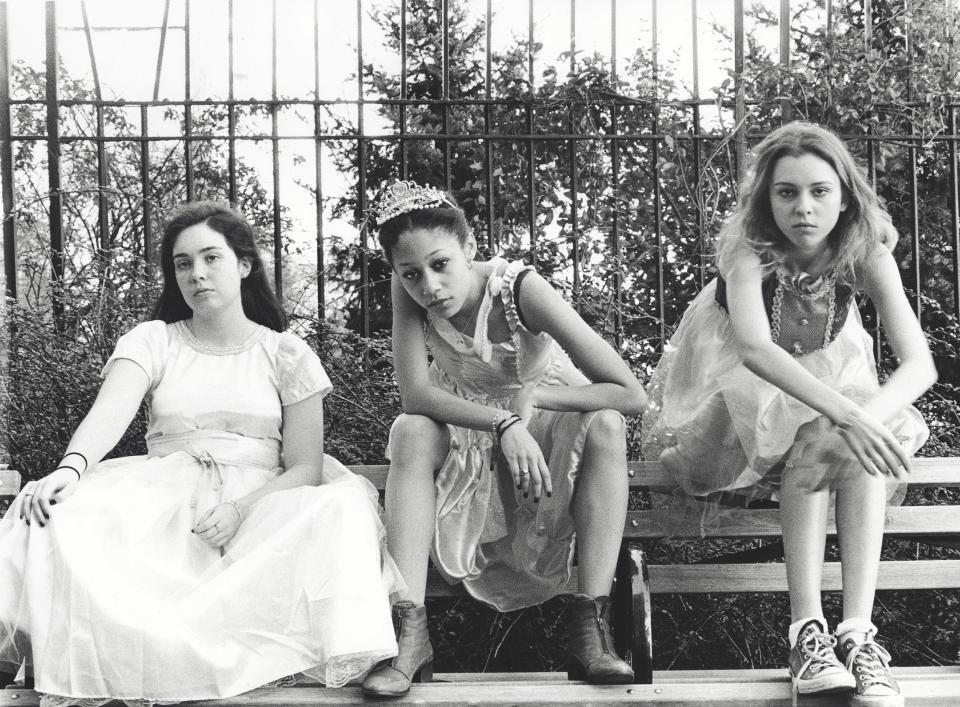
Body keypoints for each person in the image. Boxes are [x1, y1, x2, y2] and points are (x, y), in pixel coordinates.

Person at [0, 201, 402, 706]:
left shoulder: (286, 353)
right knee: (54, 509)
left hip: (260, 506)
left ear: (245, 264)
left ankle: (368, 656)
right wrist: (71, 467)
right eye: (183, 263)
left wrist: (240, 510)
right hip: (168, 498)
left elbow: (305, 466)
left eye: (211, 258)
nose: (197, 273)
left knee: (340, 506)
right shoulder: (154, 341)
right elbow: (110, 413)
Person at [643, 122, 935, 705]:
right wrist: (849, 419)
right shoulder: (747, 247)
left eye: (820, 191)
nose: (803, 208)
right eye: (786, 192)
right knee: (828, 427)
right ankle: (807, 630)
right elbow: (754, 349)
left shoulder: (866, 249)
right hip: (740, 389)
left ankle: (856, 635)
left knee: (832, 434)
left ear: (846, 195)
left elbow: (920, 364)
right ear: (766, 197)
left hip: (830, 373)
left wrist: (861, 419)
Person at [359, 180, 647, 696]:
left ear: (469, 249)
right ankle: (407, 632)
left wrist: (532, 406)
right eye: (411, 274)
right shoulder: (411, 295)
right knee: (410, 432)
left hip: (546, 423)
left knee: (607, 424)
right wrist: (501, 423)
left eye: (440, 264)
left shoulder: (518, 289)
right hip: (477, 430)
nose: (428, 285)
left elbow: (629, 393)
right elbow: (415, 397)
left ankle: (592, 630)